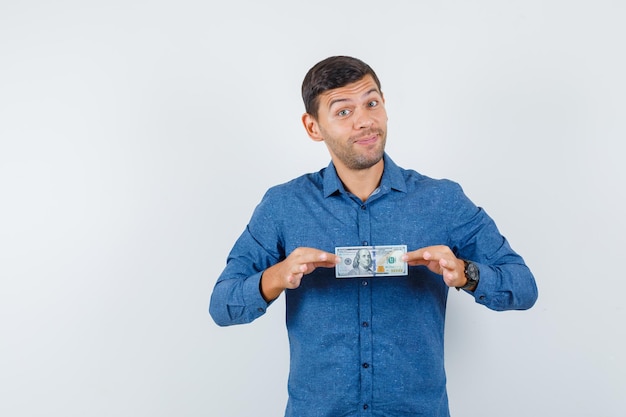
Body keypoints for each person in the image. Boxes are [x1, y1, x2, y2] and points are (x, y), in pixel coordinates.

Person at [209, 55, 538, 417]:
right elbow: (222, 306)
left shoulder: (442, 200)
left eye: (372, 102)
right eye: (343, 111)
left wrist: (466, 273)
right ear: (313, 126)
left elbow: (523, 287)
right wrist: (275, 277)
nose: (365, 120)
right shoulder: (284, 206)